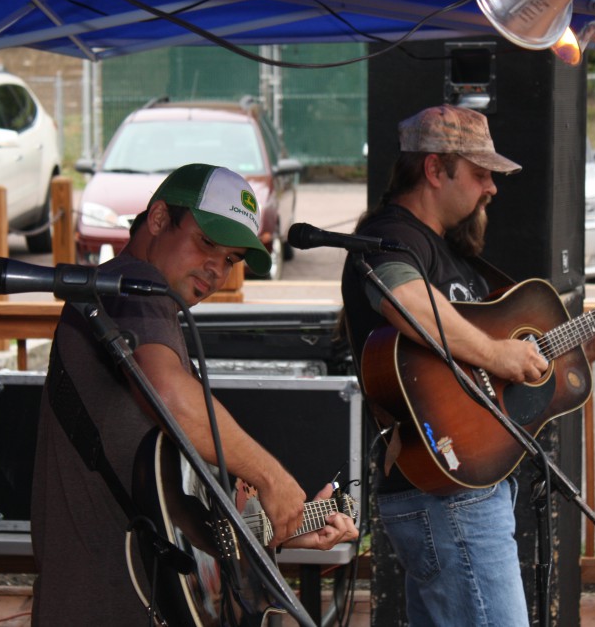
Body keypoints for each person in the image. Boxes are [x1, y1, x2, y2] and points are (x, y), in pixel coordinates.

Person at [31, 163, 357, 624]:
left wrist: (279, 527)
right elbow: (169, 394)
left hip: (128, 596)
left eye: (230, 260)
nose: (216, 268)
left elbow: (173, 514)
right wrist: (272, 478)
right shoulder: (132, 287)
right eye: (207, 243)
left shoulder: (144, 311)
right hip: (106, 600)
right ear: (160, 218)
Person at [340, 104, 595, 626]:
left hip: (461, 486)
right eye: (480, 173)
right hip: (448, 492)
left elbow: (497, 372)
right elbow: (403, 301)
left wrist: (587, 344)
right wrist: (495, 353)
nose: (492, 187)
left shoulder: (453, 258)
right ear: (434, 168)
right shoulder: (392, 237)